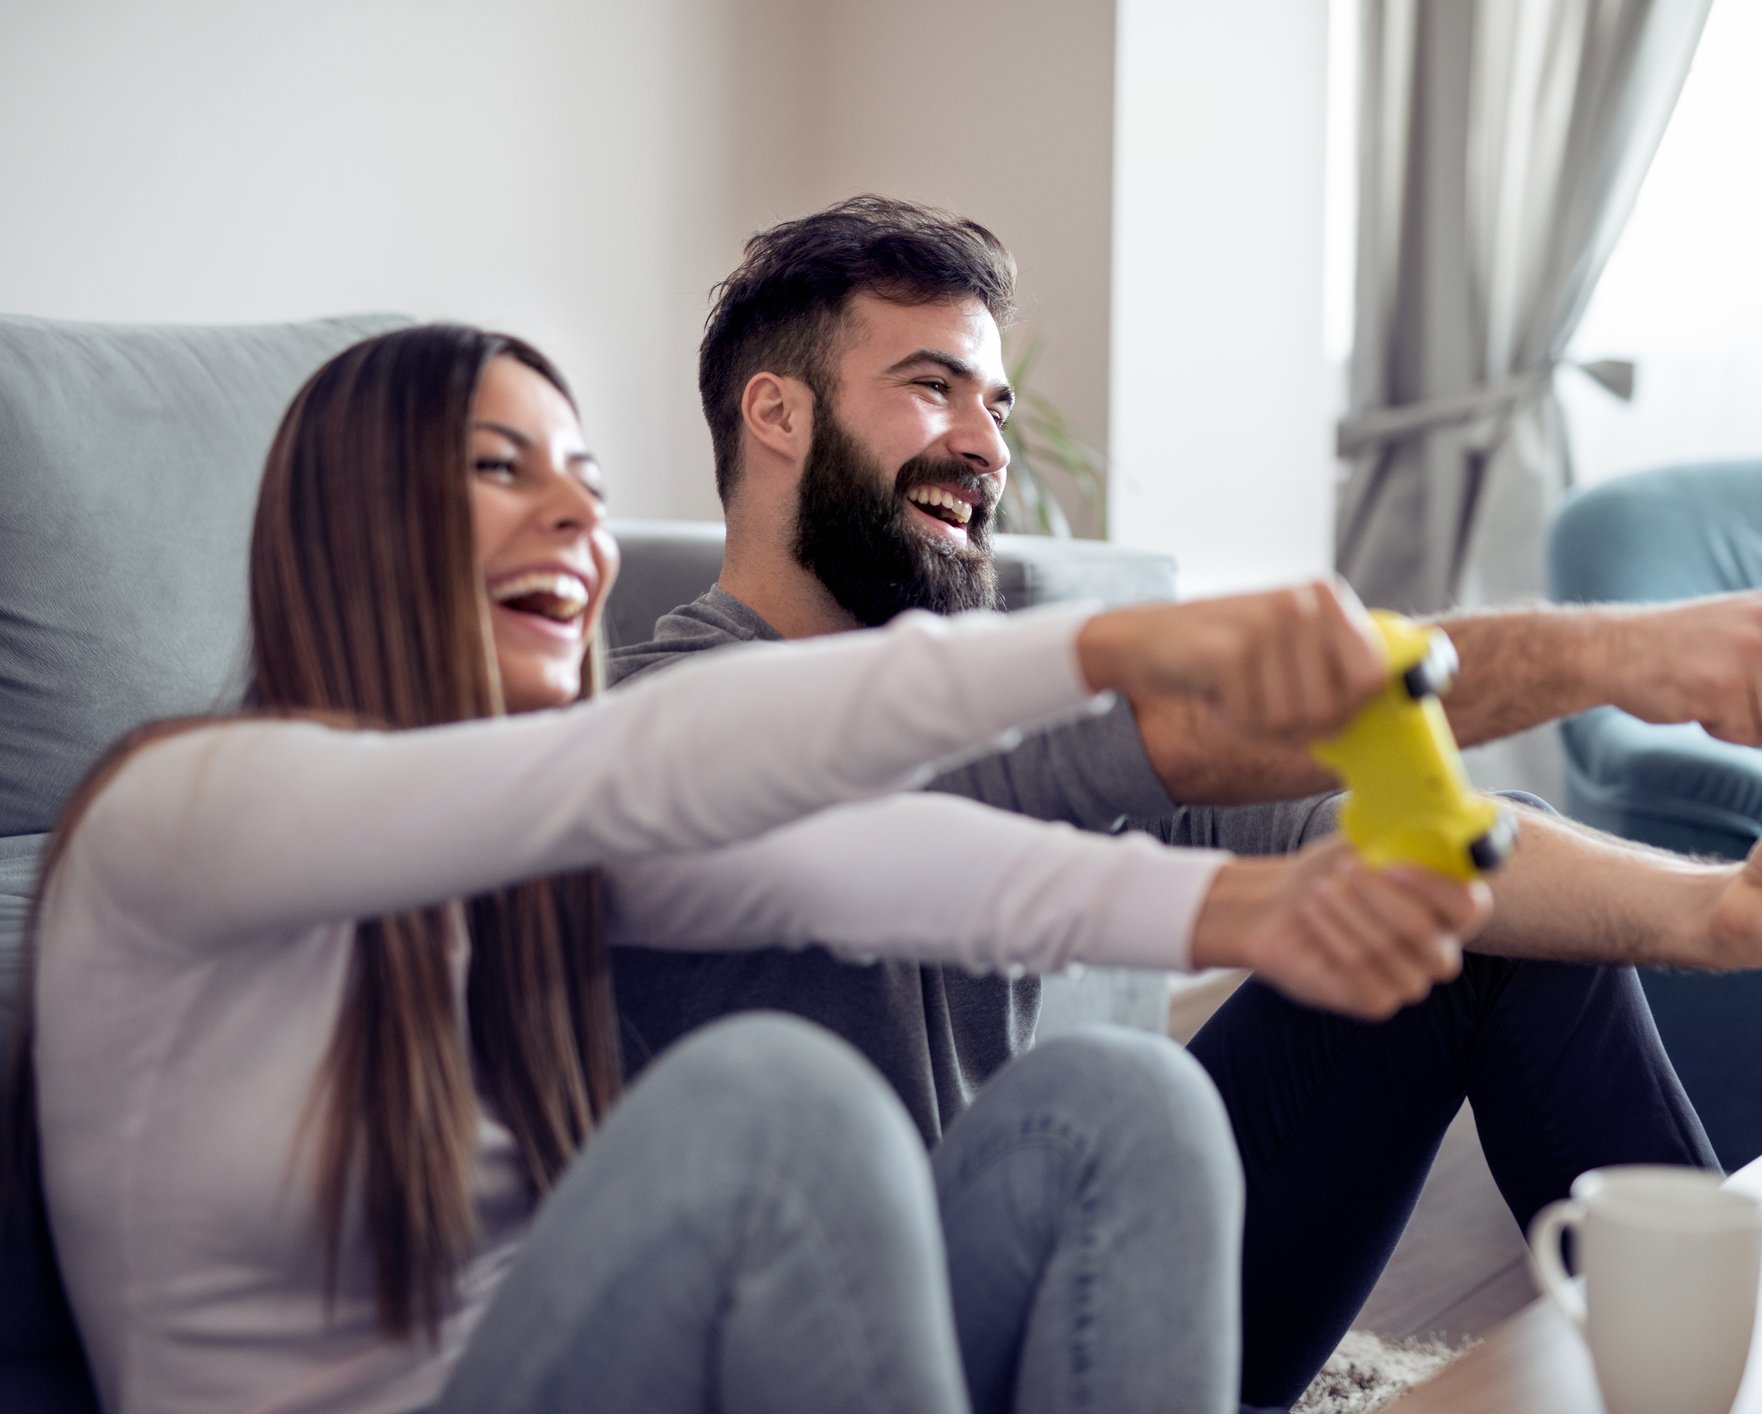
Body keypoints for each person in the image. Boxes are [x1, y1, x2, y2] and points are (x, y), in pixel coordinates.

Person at [608, 195, 1762, 1408]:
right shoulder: (682, 721)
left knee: (1456, 912)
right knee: (1121, 1082)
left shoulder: (969, 681)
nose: (986, 443)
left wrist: (1728, 913)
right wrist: (1627, 652)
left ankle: (1705, 1374)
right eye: (931, 385)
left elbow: (1384, 818)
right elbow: (1201, 730)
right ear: (775, 412)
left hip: (1078, 1285)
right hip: (851, 1358)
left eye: (997, 402)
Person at [9, 323, 1493, 1414]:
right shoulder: (186, 809)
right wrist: (1105, 643)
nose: (581, 516)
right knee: (774, 1106)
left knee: (1122, 1097)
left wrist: (1241, 909)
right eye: (498, 466)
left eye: (587, 478)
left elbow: (844, 863)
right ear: (354, 523)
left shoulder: (533, 856)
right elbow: (652, 760)